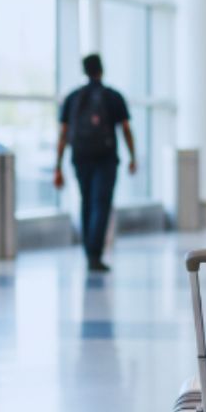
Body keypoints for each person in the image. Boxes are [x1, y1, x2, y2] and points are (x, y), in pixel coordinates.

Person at [54, 54, 137, 272]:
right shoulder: (112, 96)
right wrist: (132, 157)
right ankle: (95, 254)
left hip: (80, 158)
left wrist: (58, 167)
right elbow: (126, 129)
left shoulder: (72, 98)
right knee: (101, 205)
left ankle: (89, 252)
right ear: (102, 69)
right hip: (106, 159)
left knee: (87, 202)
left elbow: (63, 134)